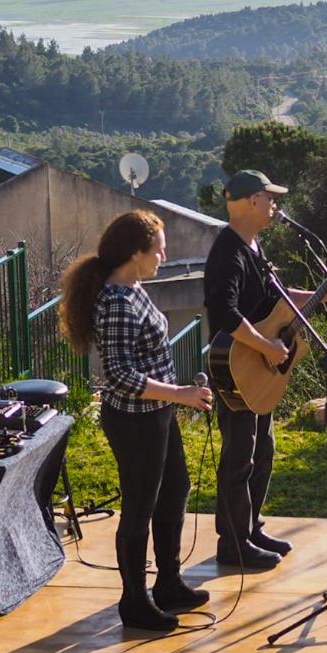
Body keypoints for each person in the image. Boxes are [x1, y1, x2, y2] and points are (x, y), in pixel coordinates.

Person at [59, 209, 213, 631]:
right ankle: (134, 601)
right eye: (158, 250)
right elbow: (119, 376)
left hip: (157, 412)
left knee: (175, 489)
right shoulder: (116, 302)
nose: (164, 256)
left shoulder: (135, 287)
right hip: (134, 422)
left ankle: (168, 583)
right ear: (135, 252)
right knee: (140, 506)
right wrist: (179, 394)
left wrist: (175, 398)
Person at [204, 170, 327, 569]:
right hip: (237, 366)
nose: (275, 205)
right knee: (239, 457)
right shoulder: (227, 252)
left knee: (262, 451)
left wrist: (322, 294)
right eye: (270, 198)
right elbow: (225, 313)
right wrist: (266, 346)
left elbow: (275, 298)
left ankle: (251, 528)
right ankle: (233, 544)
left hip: (256, 369)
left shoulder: (253, 246)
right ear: (251, 202)